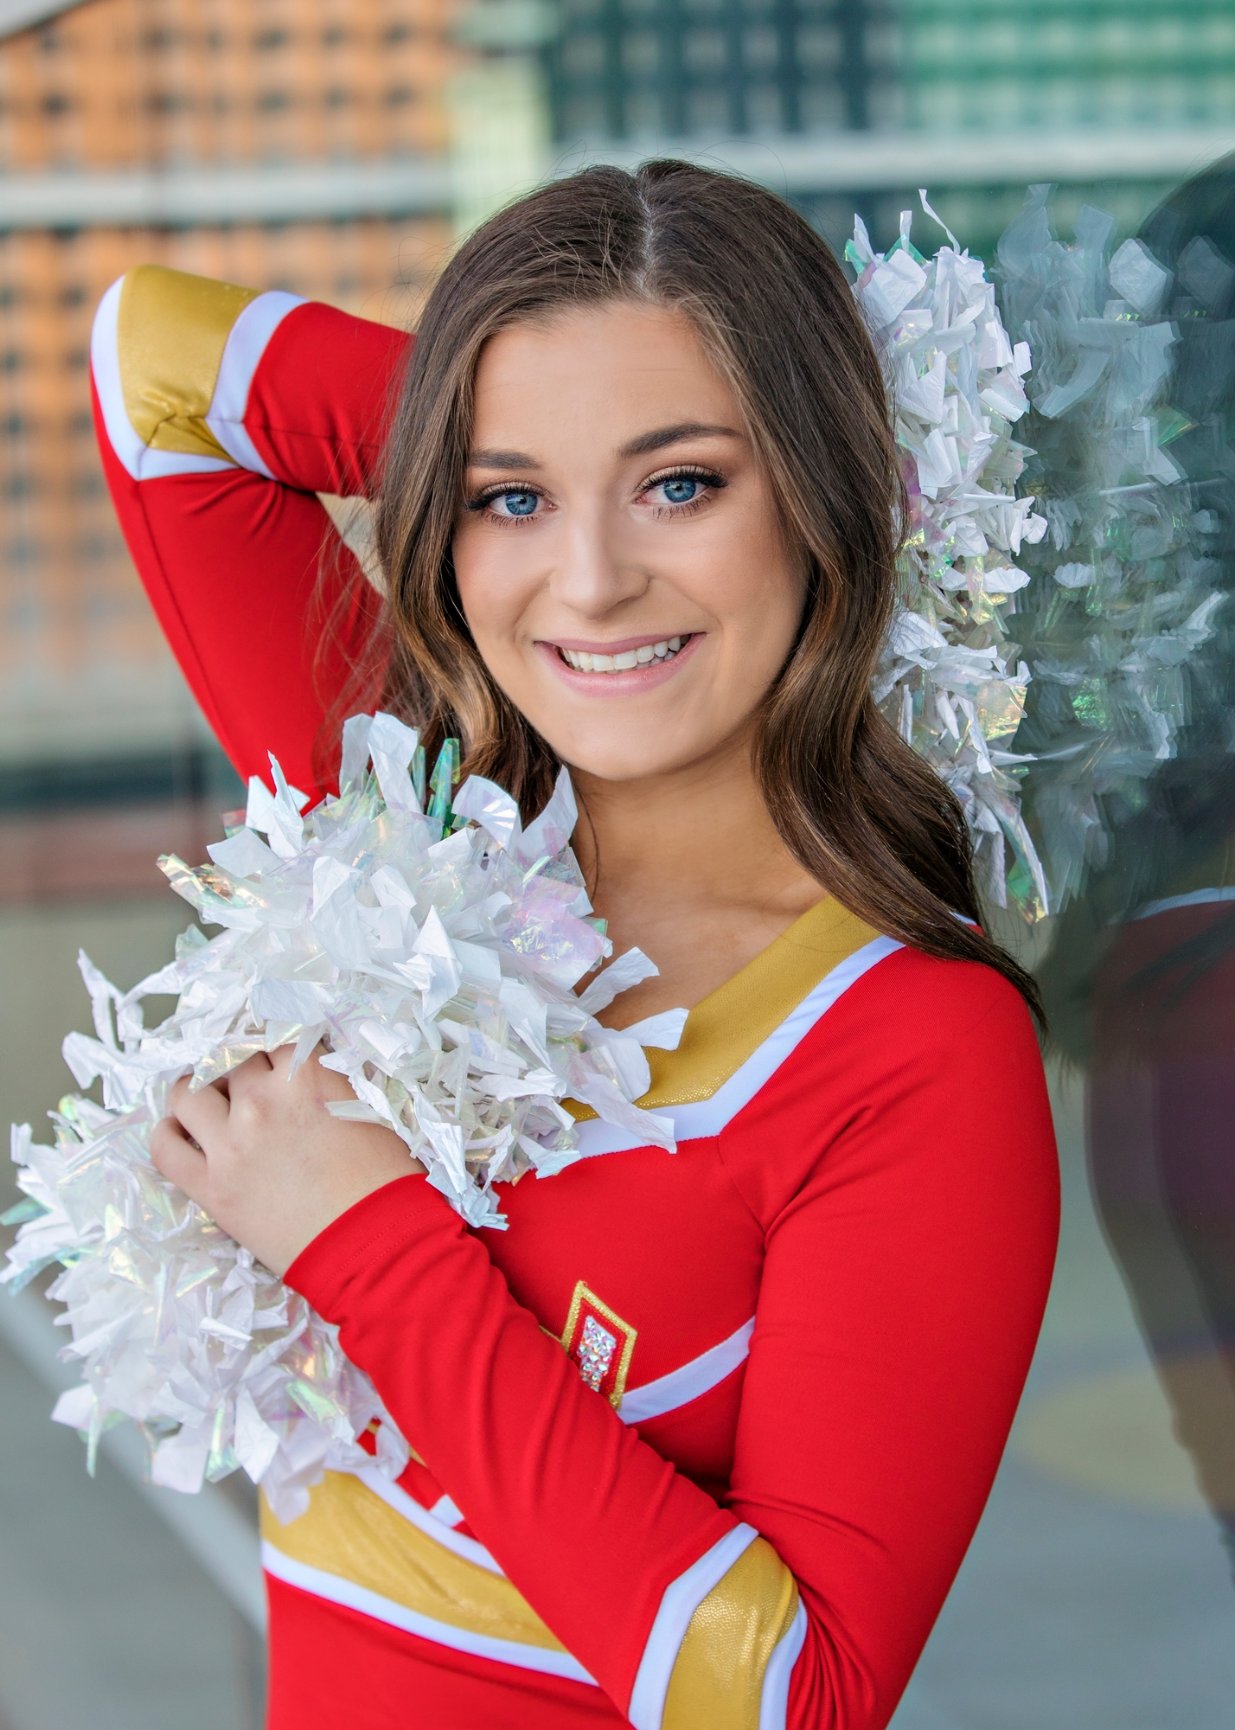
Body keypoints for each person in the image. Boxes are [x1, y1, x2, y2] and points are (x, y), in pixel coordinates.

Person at [88, 158, 1060, 1730]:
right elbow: (157, 368)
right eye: (511, 499)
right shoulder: (394, 834)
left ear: (830, 488)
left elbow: (799, 1698)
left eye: (683, 483)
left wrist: (364, 1241)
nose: (591, 582)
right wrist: (521, 425)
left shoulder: (914, 1051)